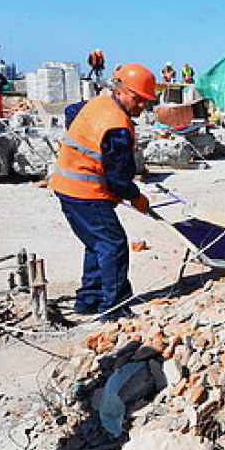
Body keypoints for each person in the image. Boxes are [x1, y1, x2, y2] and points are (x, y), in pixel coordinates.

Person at [48, 63, 156, 318]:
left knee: (97, 243)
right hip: (86, 192)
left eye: (146, 102)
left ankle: (89, 301)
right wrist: (136, 197)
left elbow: (71, 112)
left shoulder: (98, 104)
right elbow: (118, 177)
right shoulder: (116, 126)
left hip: (66, 186)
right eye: (138, 100)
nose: (142, 106)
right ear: (122, 91)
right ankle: (115, 308)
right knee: (113, 244)